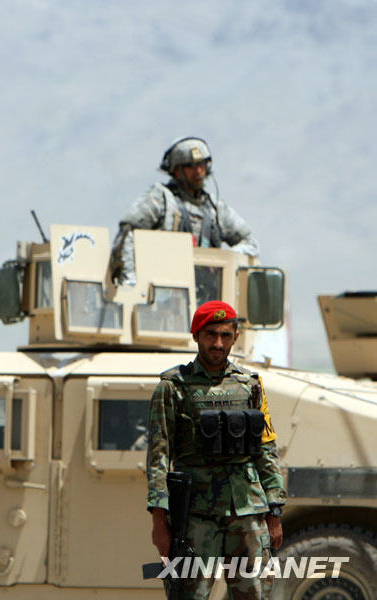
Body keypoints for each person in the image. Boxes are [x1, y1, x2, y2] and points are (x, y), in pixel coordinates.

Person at [146, 301, 286, 600]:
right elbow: (158, 457)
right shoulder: (173, 387)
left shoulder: (250, 385)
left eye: (225, 334)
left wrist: (274, 511)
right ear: (196, 335)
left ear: (236, 336)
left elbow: (266, 449)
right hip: (196, 516)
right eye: (210, 334)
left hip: (247, 511)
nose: (218, 343)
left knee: (255, 594)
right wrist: (160, 520)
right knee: (190, 593)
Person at [110, 137, 259, 285]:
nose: (199, 171)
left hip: (205, 296)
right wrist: (131, 281)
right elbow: (127, 234)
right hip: (162, 290)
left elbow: (250, 242)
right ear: (176, 170)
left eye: (202, 164)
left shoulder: (215, 208)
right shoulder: (160, 199)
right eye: (191, 166)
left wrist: (224, 259)